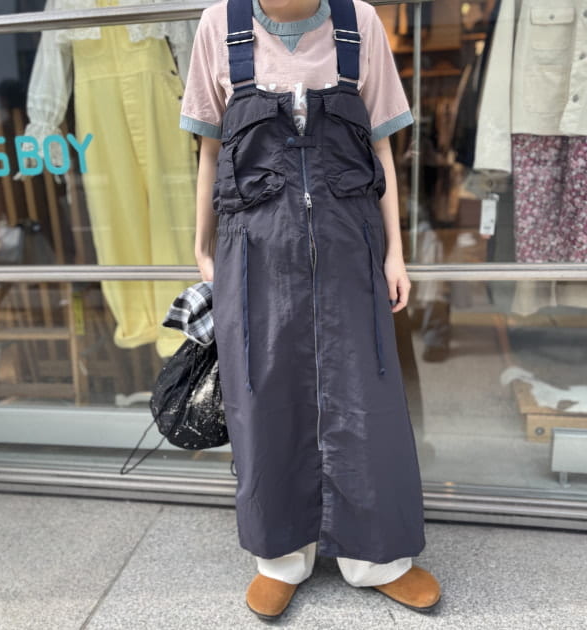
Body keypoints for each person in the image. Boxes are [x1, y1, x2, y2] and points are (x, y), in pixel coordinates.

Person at [180, 0, 441, 620]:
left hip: (351, 243)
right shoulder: (219, 26)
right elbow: (210, 150)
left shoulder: (361, 23)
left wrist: (396, 252)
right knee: (264, 393)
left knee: (366, 392)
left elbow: (382, 150)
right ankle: (281, 557)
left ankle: (377, 559)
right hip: (254, 248)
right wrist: (201, 244)